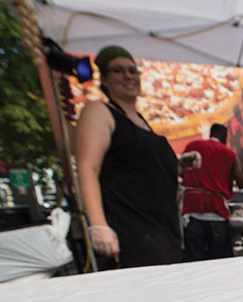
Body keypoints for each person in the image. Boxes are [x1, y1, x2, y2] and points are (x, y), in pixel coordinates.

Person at [76, 45, 200, 268]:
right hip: (130, 236)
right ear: (103, 78)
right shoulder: (99, 111)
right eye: (118, 70)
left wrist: (179, 165)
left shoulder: (142, 122)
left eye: (133, 71)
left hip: (163, 234)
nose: (128, 76)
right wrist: (99, 225)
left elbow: (142, 171)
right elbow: (87, 168)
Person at [180, 123, 243, 261]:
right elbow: (241, 183)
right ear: (223, 136)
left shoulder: (192, 146)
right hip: (217, 212)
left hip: (191, 210)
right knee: (221, 263)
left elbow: (180, 170)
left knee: (193, 262)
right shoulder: (229, 154)